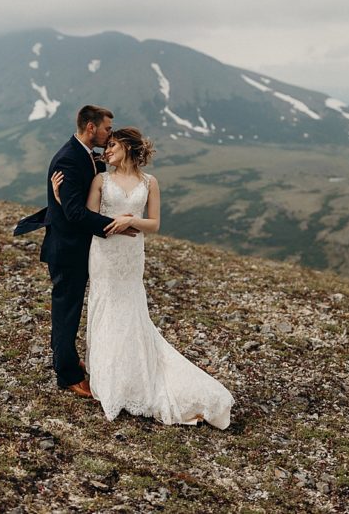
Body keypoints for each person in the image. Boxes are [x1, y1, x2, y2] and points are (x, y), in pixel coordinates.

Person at [51, 127, 233, 428]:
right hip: (104, 255)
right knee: (106, 308)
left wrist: (130, 220)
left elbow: (154, 223)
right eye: (105, 146)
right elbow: (84, 218)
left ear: (128, 147)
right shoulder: (101, 179)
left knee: (132, 311)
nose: (106, 151)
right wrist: (59, 198)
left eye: (112, 145)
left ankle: (136, 374)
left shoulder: (150, 182)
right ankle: (110, 375)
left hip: (131, 255)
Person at [40, 105, 128, 398]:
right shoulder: (68, 159)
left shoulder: (84, 157)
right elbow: (76, 214)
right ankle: (68, 375)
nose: (110, 134)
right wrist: (115, 225)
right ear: (91, 128)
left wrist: (61, 200)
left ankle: (64, 357)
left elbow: (77, 196)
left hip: (75, 247)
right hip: (66, 250)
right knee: (67, 311)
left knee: (68, 308)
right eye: (106, 129)